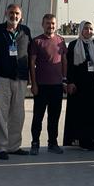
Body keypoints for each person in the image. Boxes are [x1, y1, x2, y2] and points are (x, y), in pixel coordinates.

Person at [0, 4, 32, 160]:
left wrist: (31, 78)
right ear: (5, 13)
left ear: (21, 16)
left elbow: (30, 54)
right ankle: (0, 147)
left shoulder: (25, 31)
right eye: (11, 13)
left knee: (17, 113)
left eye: (17, 13)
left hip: (20, 78)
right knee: (1, 113)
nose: (14, 16)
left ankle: (14, 146)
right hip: (2, 77)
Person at [28, 13, 67, 154]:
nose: (50, 26)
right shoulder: (37, 41)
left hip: (56, 85)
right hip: (41, 85)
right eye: (47, 23)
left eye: (53, 23)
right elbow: (32, 63)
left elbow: (64, 61)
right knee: (38, 116)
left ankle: (53, 143)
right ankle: (35, 143)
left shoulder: (60, 41)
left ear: (56, 25)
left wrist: (64, 80)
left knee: (54, 117)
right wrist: (33, 84)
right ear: (42, 24)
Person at [64, 20, 94, 150]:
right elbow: (70, 65)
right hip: (78, 86)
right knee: (80, 113)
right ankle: (82, 139)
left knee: (93, 111)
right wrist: (70, 82)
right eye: (85, 28)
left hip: (93, 85)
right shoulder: (74, 45)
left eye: (91, 29)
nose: (88, 31)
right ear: (80, 30)